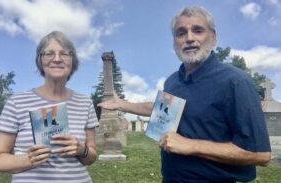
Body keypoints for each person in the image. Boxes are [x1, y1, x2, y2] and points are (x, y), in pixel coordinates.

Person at [98, 6, 271, 183]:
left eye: (198, 30)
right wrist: (121, 104)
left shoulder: (236, 82)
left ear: (213, 37)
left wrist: (190, 145)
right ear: (175, 41)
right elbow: (160, 107)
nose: (189, 38)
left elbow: (260, 154)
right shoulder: (173, 81)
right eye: (181, 33)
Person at [0, 31, 99, 183]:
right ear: (40, 60)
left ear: (73, 61)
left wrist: (82, 150)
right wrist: (29, 159)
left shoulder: (85, 102)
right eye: (49, 53)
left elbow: (91, 157)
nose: (57, 59)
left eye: (65, 54)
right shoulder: (17, 102)